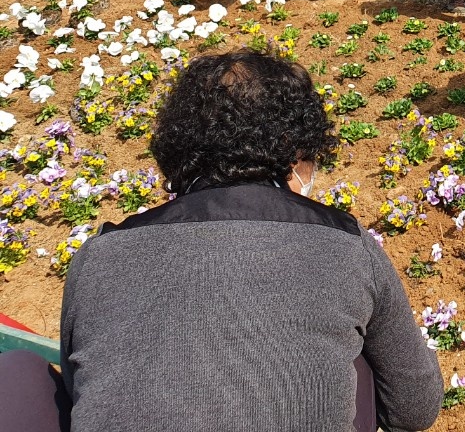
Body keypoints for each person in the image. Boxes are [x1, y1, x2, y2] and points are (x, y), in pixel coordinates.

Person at [55, 50, 443, 432]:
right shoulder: (343, 243)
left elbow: (81, 389)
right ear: (295, 153)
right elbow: (414, 407)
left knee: (22, 375)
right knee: (356, 358)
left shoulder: (101, 254)